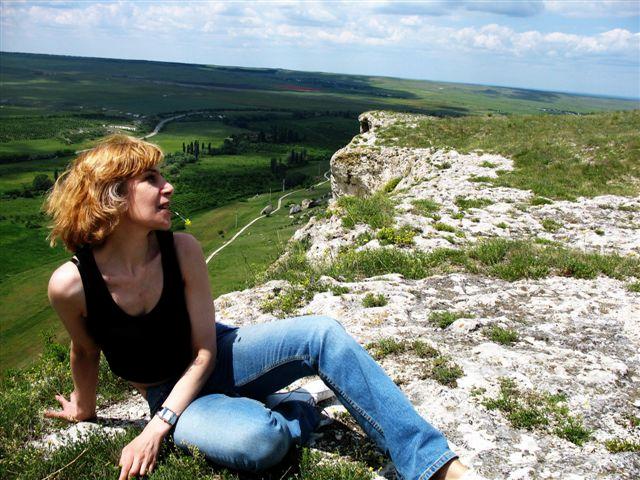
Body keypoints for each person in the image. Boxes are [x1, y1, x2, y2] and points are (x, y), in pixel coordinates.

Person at [43, 135, 476, 480]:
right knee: (259, 442)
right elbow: (85, 350)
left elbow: (205, 352)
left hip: (215, 356)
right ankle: (296, 407)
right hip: (167, 393)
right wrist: (85, 410)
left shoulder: (181, 251)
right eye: (151, 179)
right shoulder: (72, 285)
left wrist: (157, 428)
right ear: (113, 195)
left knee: (322, 334)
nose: (168, 187)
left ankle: (433, 464)